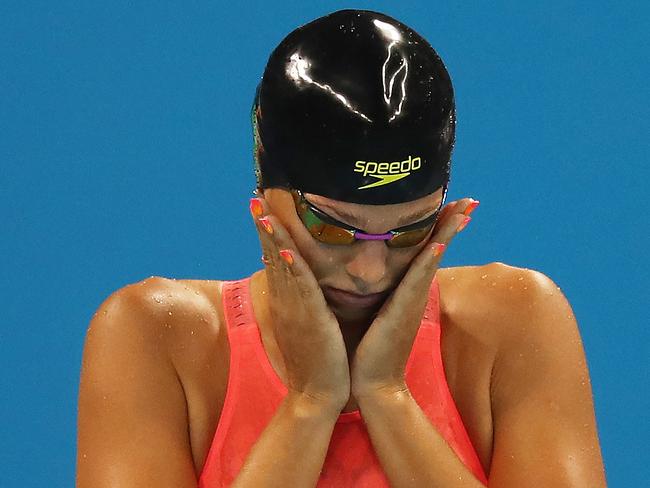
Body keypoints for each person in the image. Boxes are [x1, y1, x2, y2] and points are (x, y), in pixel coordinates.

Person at [76, 9, 607, 488]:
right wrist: (310, 406)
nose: (370, 271)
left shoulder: (513, 324)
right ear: (265, 196)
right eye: (333, 228)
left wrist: (386, 395)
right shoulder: (161, 339)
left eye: (408, 230)